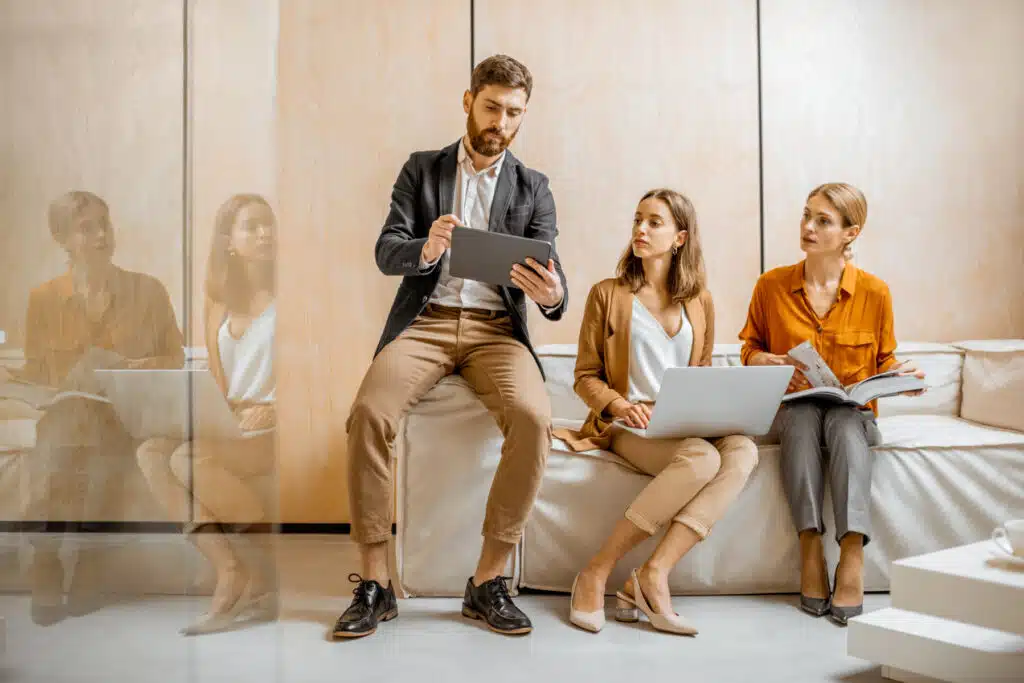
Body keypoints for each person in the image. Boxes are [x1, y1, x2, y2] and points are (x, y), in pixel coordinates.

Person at [331, 54, 568, 640]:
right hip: (427, 321)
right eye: (492, 107)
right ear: (468, 101)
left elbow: (550, 271)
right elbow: (388, 251)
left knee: (535, 419)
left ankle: (488, 581)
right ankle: (375, 581)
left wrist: (555, 293)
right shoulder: (423, 170)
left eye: (514, 113)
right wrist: (426, 249)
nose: (502, 122)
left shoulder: (533, 187)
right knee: (367, 414)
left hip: (496, 331)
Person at [555, 189, 758, 635]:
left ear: (680, 237)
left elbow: (700, 371)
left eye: (654, 223)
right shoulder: (607, 295)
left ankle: (652, 574)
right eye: (637, 220)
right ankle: (596, 570)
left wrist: (716, 407)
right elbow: (586, 376)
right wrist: (620, 405)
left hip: (685, 420)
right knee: (701, 458)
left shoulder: (700, 299)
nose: (640, 230)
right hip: (630, 424)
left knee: (743, 449)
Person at [739, 183, 925, 625]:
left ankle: (852, 553)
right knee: (802, 420)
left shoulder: (875, 293)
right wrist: (766, 358)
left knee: (843, 423)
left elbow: (884, 360)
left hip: (852, 415)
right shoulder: (771, 286)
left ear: (849, 232)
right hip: (795, 409)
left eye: (823, 220)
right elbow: (749, 349)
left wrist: (903, 377)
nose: (808, 227)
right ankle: (809, 549)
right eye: (806, 215)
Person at [14, 190, 184, 625]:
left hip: (123, 414)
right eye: (86, 228)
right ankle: (50, 564)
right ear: (63, 239)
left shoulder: (147, 290)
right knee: (61, 441)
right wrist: (26, 386)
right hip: (67, 414)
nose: (102, 234)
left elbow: (175, 358)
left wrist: (142, 366)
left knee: (96, 446)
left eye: (104, 223)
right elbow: (37, 369)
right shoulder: (44, 299)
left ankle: (82, 565)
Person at [135, 194, 278, 635]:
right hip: (231, 419)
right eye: (251, 226)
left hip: (276, 424)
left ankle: (255, 570)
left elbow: (320, 374)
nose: (264, 234)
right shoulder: (216, 302)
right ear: (229, 242)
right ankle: (229, 564)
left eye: (268, 224)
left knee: (187, 460)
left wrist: (276, 407)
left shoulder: (297, 294)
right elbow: (217, 380)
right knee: (152, 453)